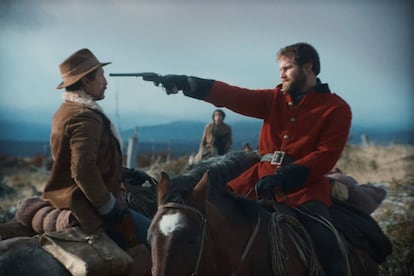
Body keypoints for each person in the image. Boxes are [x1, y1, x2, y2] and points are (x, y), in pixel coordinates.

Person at [154, 42, 351, 275]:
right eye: (280, 69)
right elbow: (232, 95)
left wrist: (285, 177)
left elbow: (325, 155)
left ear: (308, 67)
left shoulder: (336, 108)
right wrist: (187, 82)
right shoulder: (273, 99)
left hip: (304, 190)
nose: (281, 74)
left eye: (287, 68)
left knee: (326, 240)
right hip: (255, 184)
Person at [42, 48, 151, 252]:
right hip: (83, 203)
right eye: (101, 76)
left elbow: (85, 160)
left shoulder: (66, 111)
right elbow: (83, 169)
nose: (106, 82)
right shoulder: (85, 117)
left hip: (67, 194)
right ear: (86, 81)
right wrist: (108, 206)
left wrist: (124, 172)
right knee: (156, 239)